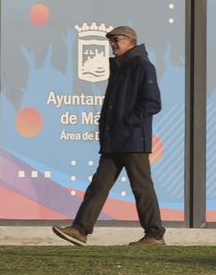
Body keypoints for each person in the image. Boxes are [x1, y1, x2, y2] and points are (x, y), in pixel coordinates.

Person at [53, 25, 166, 246]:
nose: (112, 44)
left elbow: (153, 103)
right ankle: (80, 230)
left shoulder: (143, 66)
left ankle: (154, 235)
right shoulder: (119, 67)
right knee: (99, 185)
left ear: (131, 41)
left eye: (117, 39)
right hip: (114, 141)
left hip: (132, 140)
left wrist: (128, 123)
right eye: (111, 40)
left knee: (141, 187)